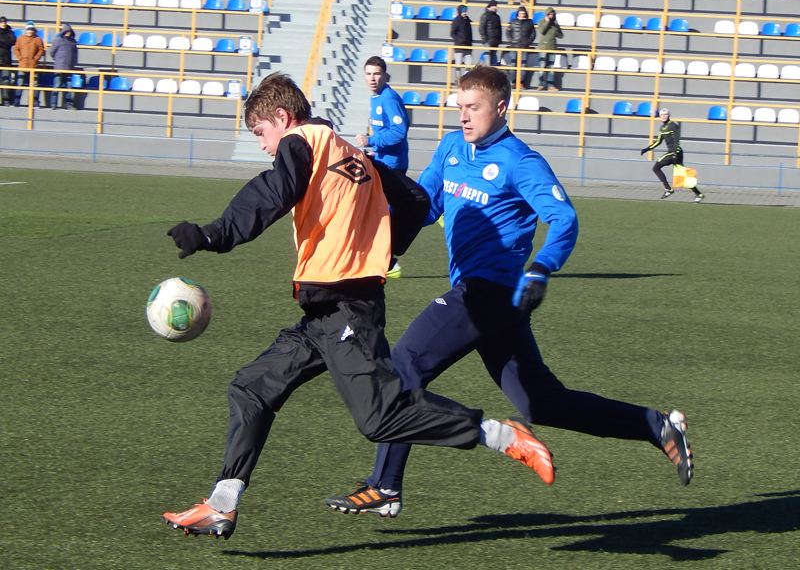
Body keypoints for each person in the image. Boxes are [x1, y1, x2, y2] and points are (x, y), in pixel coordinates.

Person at [161, 72, 556, 540]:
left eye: (261, 133)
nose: (264, 146)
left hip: (348, 310)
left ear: (282, 118)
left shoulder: (302, 143)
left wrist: (213, 234)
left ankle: (502, 435)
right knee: (251, 388)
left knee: (379, 417)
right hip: (324, 312)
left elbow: (272, 191)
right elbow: (415, 199)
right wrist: (381, 253)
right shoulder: (349, 150)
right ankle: (221, 504)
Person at [325, 65, 694, 518]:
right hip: (490, 299)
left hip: (490, 292)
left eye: (473, 107)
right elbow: (425, 206)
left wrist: (541, 268)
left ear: (501, 108)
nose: (464, 116)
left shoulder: (521, 161)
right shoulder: (451, 147)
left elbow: (564, 219)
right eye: (460, 107)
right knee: (542, 402)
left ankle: (386, 485)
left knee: (404, 365)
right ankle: (657, 425)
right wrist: (375, 240)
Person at [355, 56, 410, 278]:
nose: (372, 78)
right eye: (368, 73)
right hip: (383, 159)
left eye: (377, 73)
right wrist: (375, 151)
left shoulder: (388, 98)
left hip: (392, 164)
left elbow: (399, 131)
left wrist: (372, 141)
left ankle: (388, 261)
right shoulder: (376, 98)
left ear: (385, 75)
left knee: (378, 211)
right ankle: (385, 260)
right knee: (376, 210)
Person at [641, 108, 705, 203]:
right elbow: (658, 141)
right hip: (672, 152)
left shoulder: (673, 126)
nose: (663, 116)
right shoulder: (662, 128)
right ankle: (699, 194)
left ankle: (668, 189)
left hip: (675, 152)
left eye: (665, 114)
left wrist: (674, 153)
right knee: (682, 176)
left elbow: (676, 140)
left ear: (668, 115)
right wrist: (647, 149)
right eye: (662, 115)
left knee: (656, 167)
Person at [12, 22, 44, 107]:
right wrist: (20, 58)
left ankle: (35, 102)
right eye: (28, 30)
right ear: (26, 30)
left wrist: (35, 58)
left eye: (31, 30)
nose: (30, 31)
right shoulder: (20, 38)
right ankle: (16, 101)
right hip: (22, 64)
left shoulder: (38, 39)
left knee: (35, 85)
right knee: (19, 83)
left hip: (33, 65)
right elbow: (16, 49)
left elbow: (41, 50)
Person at [47, 23, 78, 110]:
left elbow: (75, 54)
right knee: (57, 85)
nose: (68, 33)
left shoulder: (73, 42)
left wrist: (74, 63)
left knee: (68, 87)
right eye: (66, 31)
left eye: (69, 31)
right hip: (59, 67)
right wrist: (57, 59)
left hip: (69, 67)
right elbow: (51, 51)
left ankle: (68, 104)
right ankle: (53, 104)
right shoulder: (58, 41)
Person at [505, 7, 535, 89]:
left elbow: (533, 33)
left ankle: (521, 82)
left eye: (523, 13)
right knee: (513, 64)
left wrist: (528, 42)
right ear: (518, 13)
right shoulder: (513, 22)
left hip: (524, 47)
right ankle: (513, 82)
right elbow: (508, 32)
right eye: (521, 13)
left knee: (523, 65)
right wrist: (511, 41)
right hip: (514, 46)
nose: (522, 15)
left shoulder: (529, 22)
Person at [536, 7, 562, 91]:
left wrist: (556, 27)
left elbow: (560, 36)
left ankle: (550, 85)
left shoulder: (555, 24)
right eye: (550, 14)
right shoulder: (541, 22)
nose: (551, 16)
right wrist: (547, 22)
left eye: (552, 14)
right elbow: (541, 31)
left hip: (552, 47)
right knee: (542, 66)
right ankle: (541, 84)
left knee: (551, 67)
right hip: (542, 47)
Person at [450, 4, 473, 78]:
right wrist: (460, 40)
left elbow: (470, 33)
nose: (465, 13)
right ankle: (458, 79)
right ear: (460, 12)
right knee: (458, 64)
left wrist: (470, 43)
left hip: (467, 46)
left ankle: (466, 78)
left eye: (466, 11)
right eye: (464, 11)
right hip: (459, 46)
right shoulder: (456, 21)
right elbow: (452, 33)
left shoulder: (467, 21)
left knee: (469, 64)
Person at [479, 0, 502, 66]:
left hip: (495, 41)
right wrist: (485, 40)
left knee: (493, 58)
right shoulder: (485, 16)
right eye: (494, 6)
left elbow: (499, 29)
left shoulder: (497, 17)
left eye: (496, 6)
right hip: (488, 41)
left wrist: (499, 40)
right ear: (490, 6)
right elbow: (482, 28)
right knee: (487, 58)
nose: (495, 7)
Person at [0, 16, 16, 106]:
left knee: (5, 81)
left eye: (4, 22)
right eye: (1, 22)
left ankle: (6, 100)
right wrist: (5, 43)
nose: (3, 24)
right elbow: (8, 43)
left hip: (6, 60)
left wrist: (2, 43)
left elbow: (12, 41)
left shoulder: (10, 32)